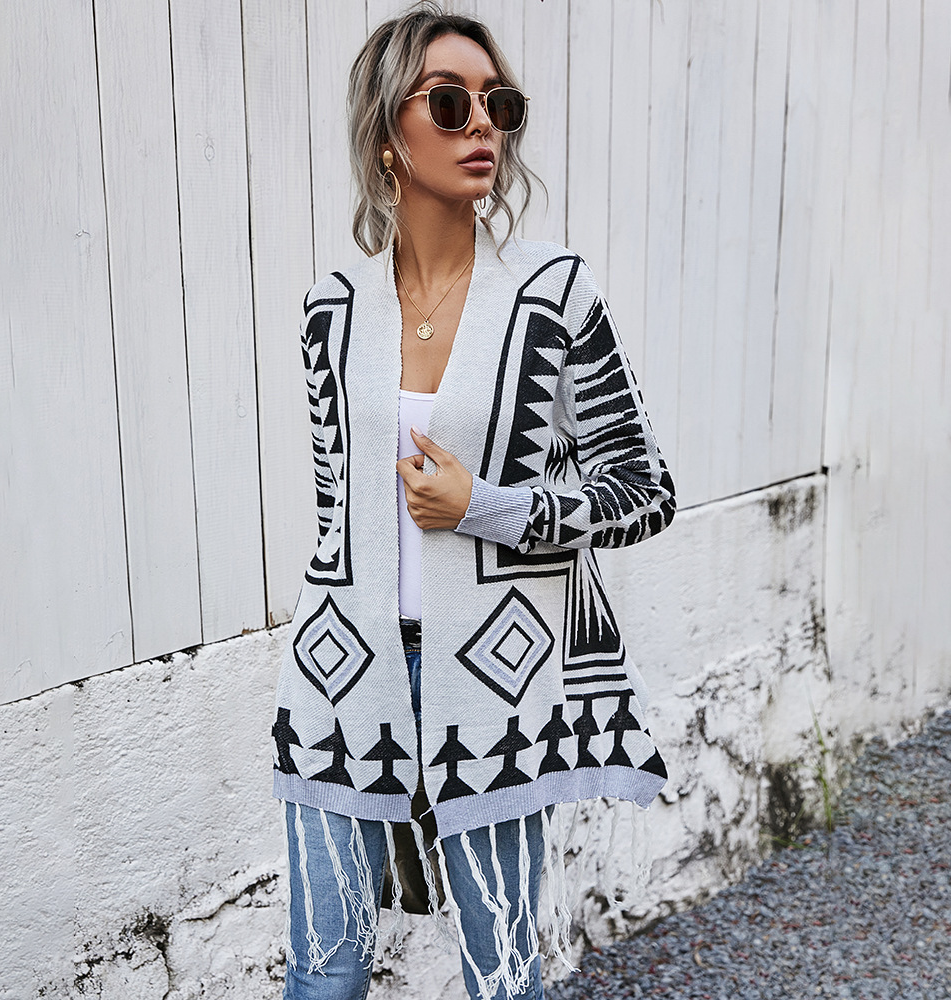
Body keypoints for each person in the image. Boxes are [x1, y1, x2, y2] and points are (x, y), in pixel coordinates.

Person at [271, 4, 676, 998]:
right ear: (388, 135)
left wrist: (484, 506)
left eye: (499, 104)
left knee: (502, 976)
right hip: (339, 679)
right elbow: (336, 522)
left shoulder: (553, 294)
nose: (482, 123)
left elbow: (645, 491)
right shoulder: (331, 310)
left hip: (489, 684)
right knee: (323, 975)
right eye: (449, 103)